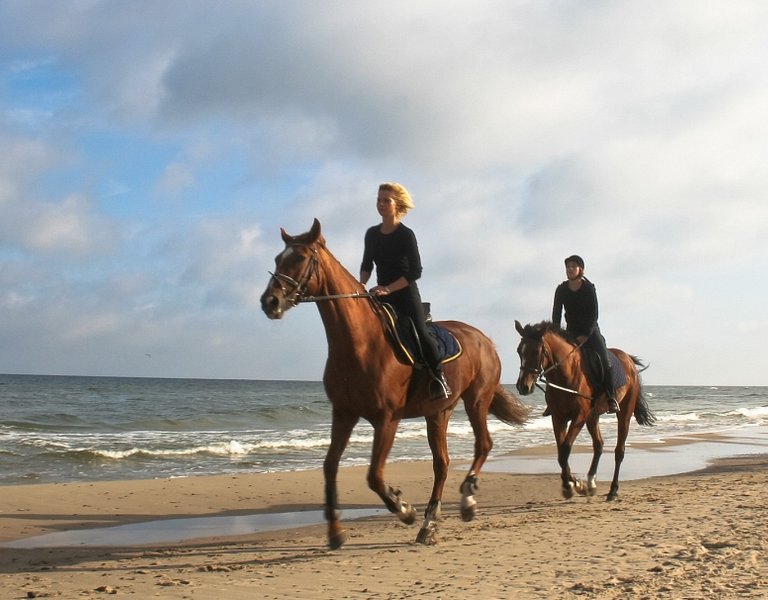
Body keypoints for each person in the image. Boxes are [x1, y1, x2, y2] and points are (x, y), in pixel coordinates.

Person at [360, 182, 451, 399]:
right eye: (378, 200)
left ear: (397, 204)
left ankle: (439, 378)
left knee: (420, 331)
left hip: (405, 294)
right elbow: (366, 265)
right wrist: (360, 285)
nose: (381, 204)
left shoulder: (405, 234)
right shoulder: (372, 234)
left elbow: (415, 272)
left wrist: (388, 289)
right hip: (379, 294)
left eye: (386, 200)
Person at [551, 255, 620, 415]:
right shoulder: (561, 289)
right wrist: (556, 334)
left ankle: (610, 397)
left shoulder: (589, 288)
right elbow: (556, 313)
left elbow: (594, 313)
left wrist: (586, 335)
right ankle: (554, 399)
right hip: (570, 330)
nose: (569, 269)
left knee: (604, 359)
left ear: (580, 269)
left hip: (591, 331)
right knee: (558, 361)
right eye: (567, 266)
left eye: (573, 266)